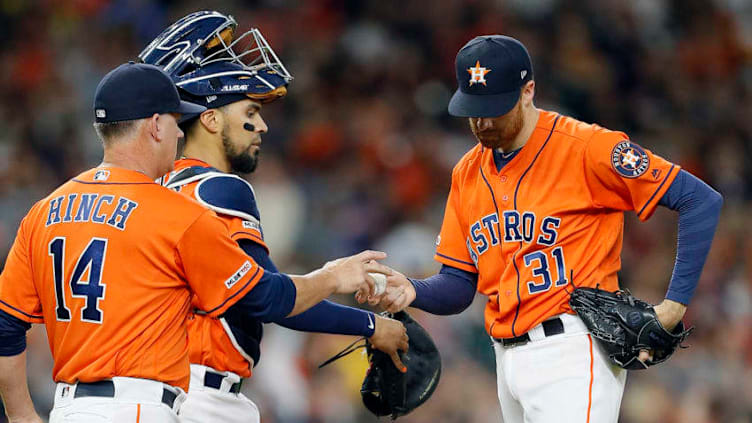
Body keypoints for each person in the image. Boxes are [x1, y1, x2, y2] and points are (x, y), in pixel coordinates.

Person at [0, 62, 397, 423]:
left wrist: (21, 417)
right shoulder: (176, 215)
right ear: (154, 126)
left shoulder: (44, 211)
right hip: (143, 406)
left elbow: (5, 324)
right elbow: (265, 298)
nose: (179, 132)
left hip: (70, 408)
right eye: (175, 121)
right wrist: (333, 276)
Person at [365, 35, 724, 422]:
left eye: (493, 109)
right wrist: (412, 289)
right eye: (473, 110)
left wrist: (674, 305)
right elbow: (458, 283)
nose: (482, 122)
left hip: (571, 349)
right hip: (505, 360)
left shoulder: (587, 147)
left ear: (528, 91)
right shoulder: (467, 172)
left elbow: (700, 200)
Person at [139, 11, 409, 422]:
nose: (261, 126)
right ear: (210, 119)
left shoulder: (157, 189)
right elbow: (273, 301)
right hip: (201, 394)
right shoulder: (221, 189)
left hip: (155, 387)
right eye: (249, 112)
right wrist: (370, 321)